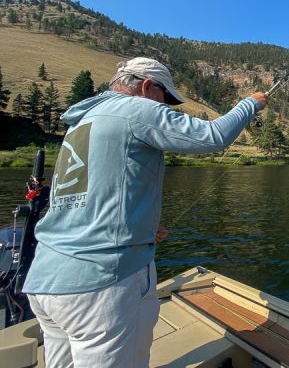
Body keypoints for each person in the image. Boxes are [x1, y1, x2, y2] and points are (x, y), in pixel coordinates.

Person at [23, 56, 268, 367]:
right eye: (164, 98)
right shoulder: (135, 109)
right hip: (100, 284)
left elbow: (89, 195)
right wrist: (250, 104)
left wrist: (141, 226)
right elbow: (213, 136)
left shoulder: (84, 121)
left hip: (46, 280)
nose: (165, 106)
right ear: (148, 87)